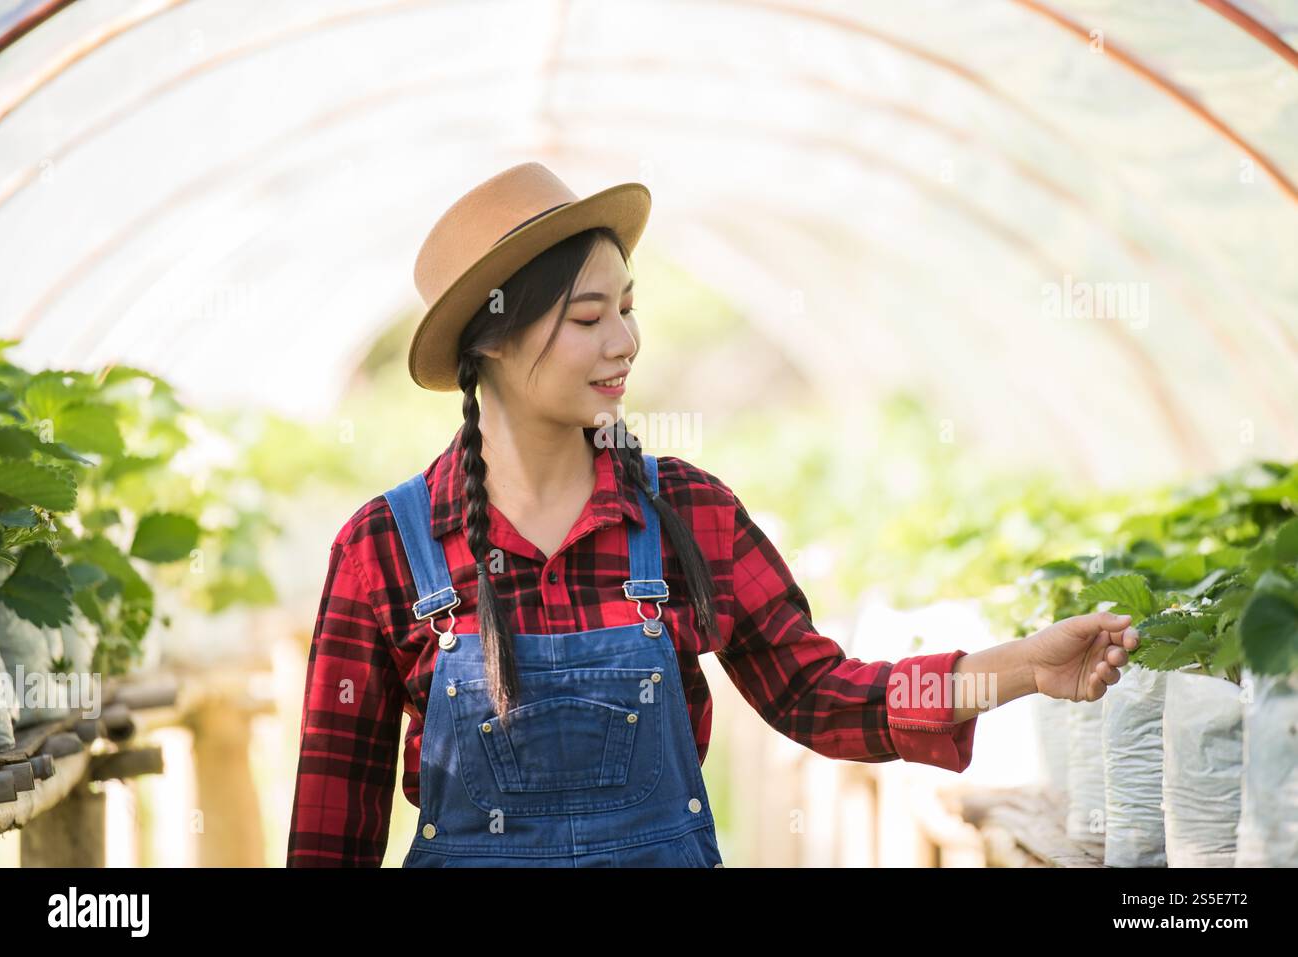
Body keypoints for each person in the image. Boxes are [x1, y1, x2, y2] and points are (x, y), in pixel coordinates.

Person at [286, 162, 1140, 867]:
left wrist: (1017, 668)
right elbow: (333, 830)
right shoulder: (386, 551)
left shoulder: (687, 512)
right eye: (590, 317)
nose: (625, 341)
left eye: (628, 307)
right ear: (490, 341)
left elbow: (825, 693)